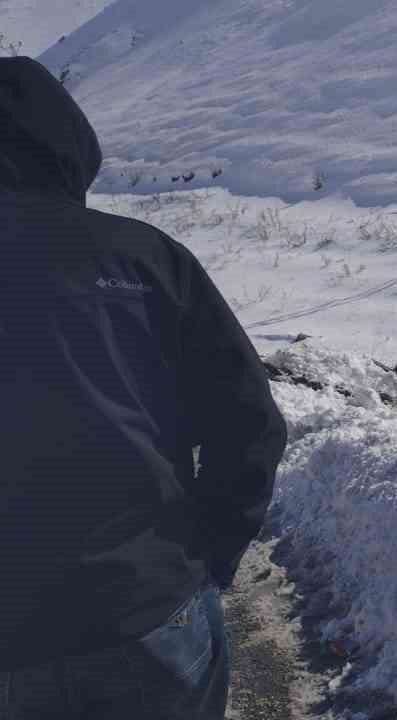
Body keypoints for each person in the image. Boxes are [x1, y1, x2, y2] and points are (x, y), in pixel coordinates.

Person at [1, 57, 287, 719]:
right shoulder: (145, 258)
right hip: (145, 610)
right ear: (69, 148)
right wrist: (206, 558)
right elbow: (250, 425)